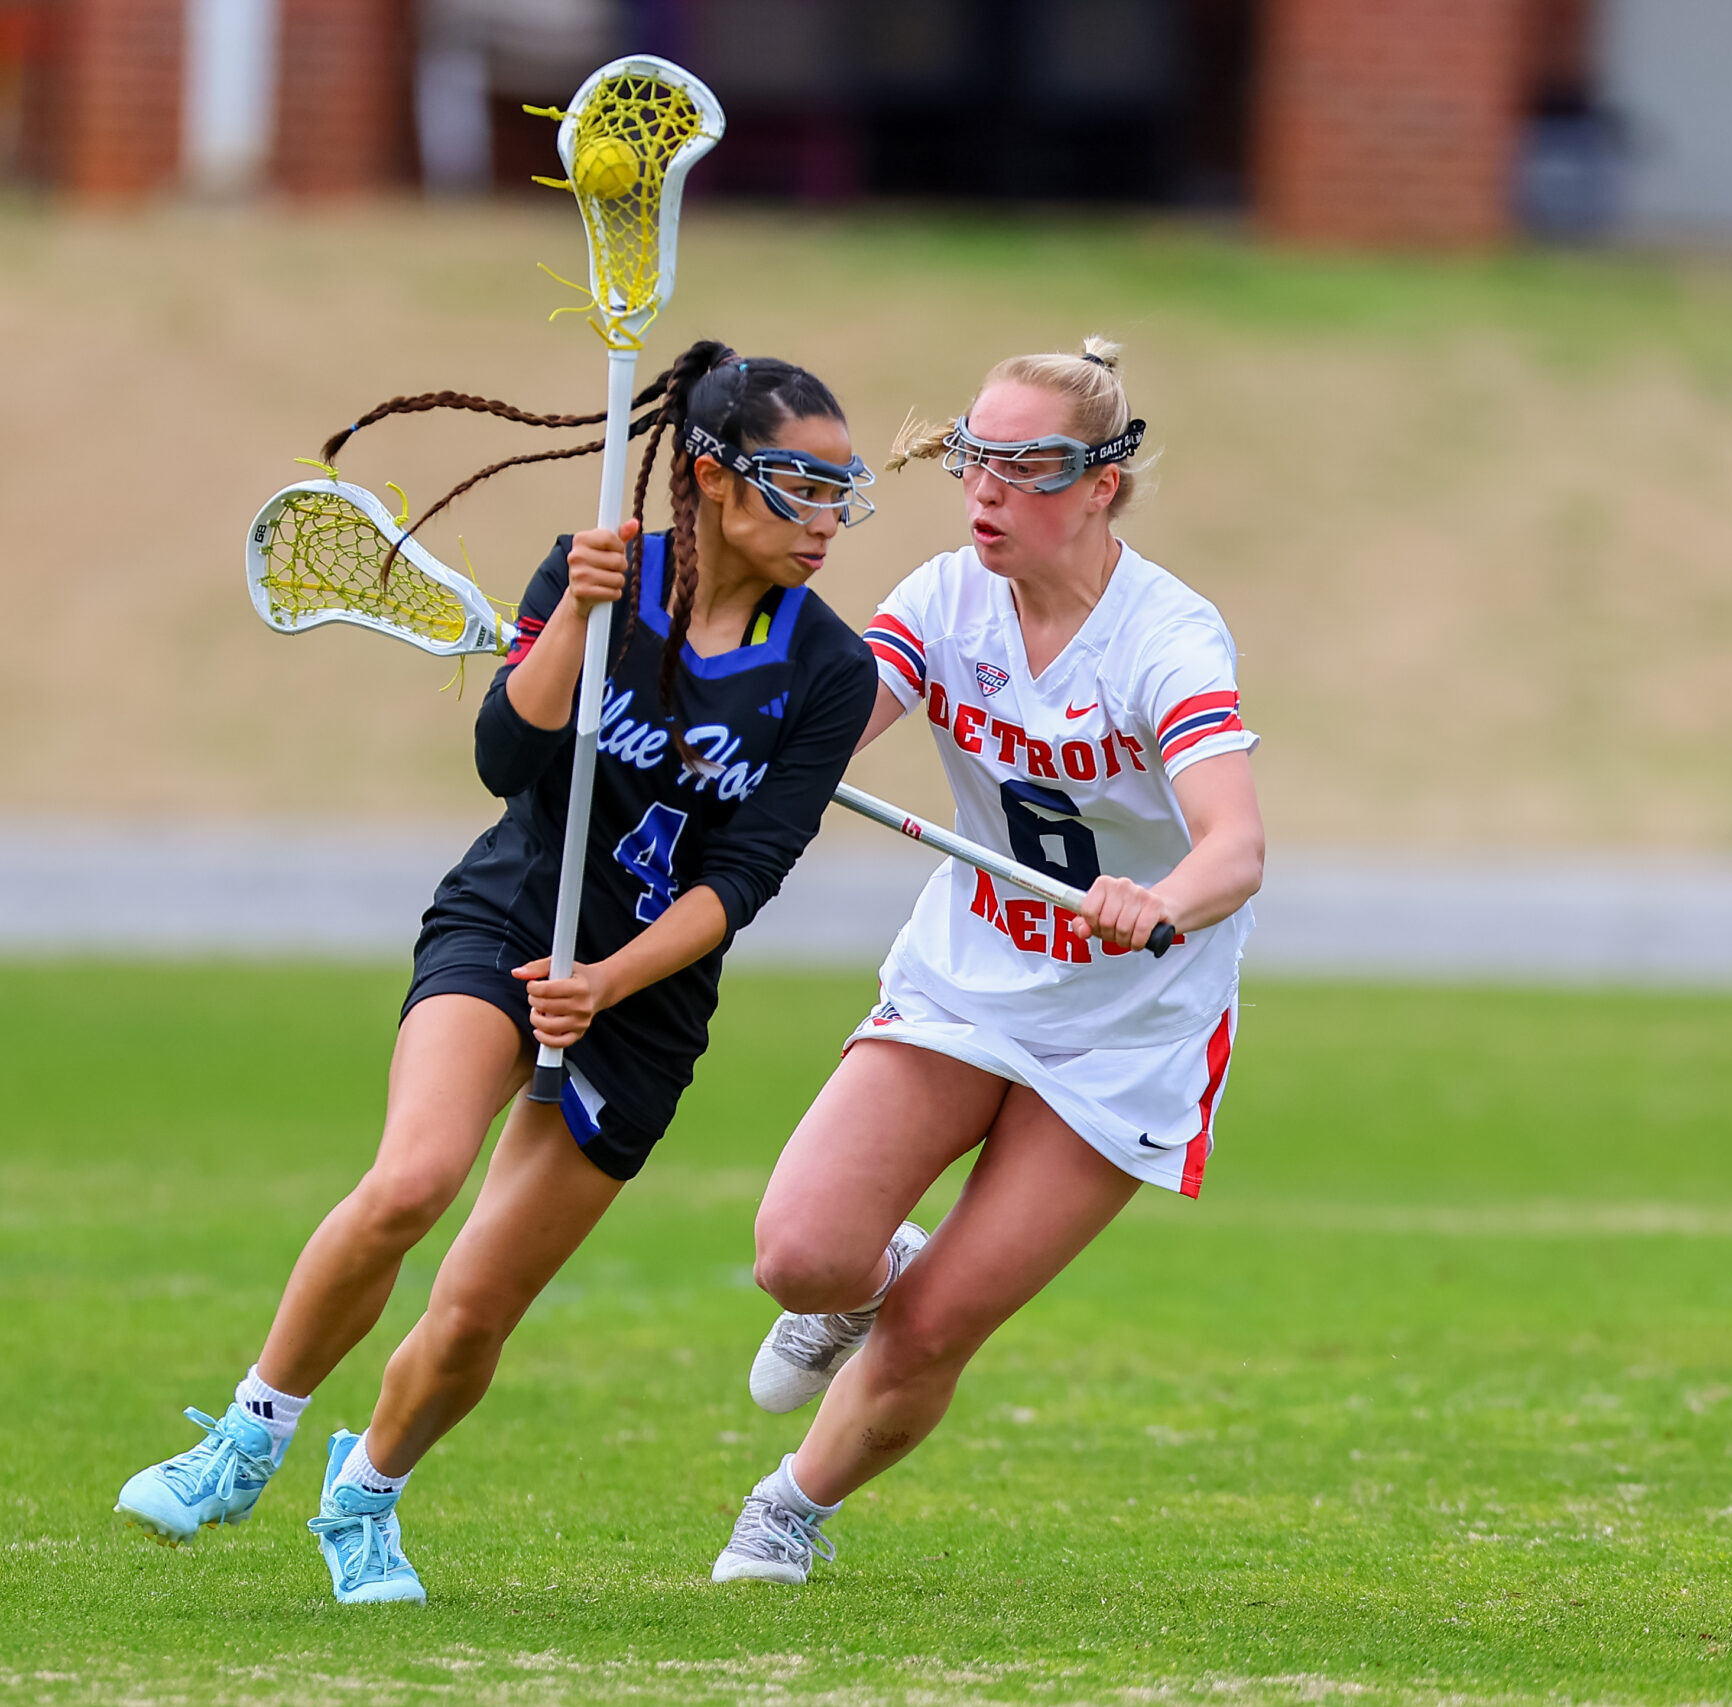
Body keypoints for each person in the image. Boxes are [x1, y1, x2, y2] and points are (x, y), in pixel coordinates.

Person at [115, 339, 881, 1604]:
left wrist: (611, 983)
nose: (829, 519)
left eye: (843, 491)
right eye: (804, 484)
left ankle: (364, 1497)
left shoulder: (827, 672)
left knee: (475, 1309)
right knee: (414, 1179)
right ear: (709, 475)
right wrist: (572, 621)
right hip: (509, 918)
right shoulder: (595, 572)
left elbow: (741, 883)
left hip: (644, 996)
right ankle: (245, 1436)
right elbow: (501, 759)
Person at [711, 339, 1265, 1585]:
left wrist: (1161, 898)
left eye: (1023, 468)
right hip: (970, 975)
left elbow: (1235, 848)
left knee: (934, 1330)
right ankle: (883, 1266)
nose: (985, 493)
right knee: (800, 1257)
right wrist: (704, 716)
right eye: (974, 459)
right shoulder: (943, 598)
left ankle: (790, 1506)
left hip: (1132, 1021)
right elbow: (823, 728)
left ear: (1099, 484)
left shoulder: (1167, 641)